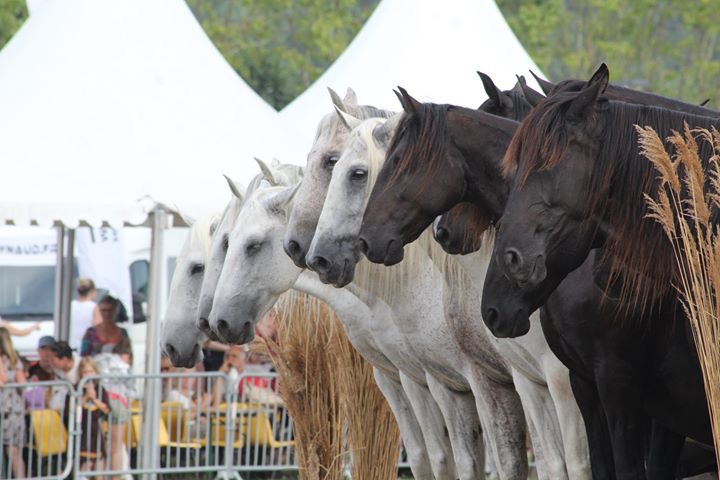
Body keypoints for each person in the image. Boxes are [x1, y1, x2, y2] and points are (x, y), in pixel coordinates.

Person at [0, 327, 27, 478]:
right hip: (16, 408)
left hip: (7, 409)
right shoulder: (14, 360)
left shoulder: (5, 359)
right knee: (14, 450)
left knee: (12, 450)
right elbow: (23, 384)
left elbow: (2, 379)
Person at [76, 357, 110, 474]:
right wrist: (86, 397)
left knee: (99, 466)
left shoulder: (100, 389)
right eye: (85, 372)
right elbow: (73, 408)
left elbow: (106, 409)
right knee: (86, 465)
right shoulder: (76, 388)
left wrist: (94, 399)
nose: (88, 375)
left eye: (91, 371)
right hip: (82, 433)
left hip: (96, 433)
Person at [70, 278, 99, 351]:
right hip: (85, 348)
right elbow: (99, 327)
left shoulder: (71, 305)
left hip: (71, 346)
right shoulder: (94, 307)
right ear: (92, 291)